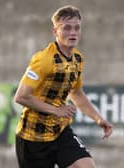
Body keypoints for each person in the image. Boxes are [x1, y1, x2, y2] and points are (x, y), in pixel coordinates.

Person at [14, 5, 113, 168]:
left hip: (59, 132)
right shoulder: (43, 60)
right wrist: (56, 110)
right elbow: (21, 96)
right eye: (67, 28)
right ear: (55, 32)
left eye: (77, 28)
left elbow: (77, 94)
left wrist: (98, 118)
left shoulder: (78, 59)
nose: (73, 33)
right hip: (32, 138)